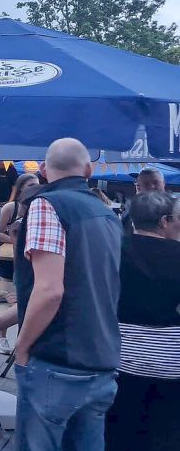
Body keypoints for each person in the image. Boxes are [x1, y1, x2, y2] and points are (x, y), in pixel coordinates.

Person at [13, 138, 120, 451]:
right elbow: (85, 286)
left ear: (44, 170)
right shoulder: (108, 216)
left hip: (57, 361)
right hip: (101, 362)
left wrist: (22, 346)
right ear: (88, 170)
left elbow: (50, 291)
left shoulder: (48, 205)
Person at [105, 191, 180, 451]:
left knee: (119, 434)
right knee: (165, 436)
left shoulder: (114, 251)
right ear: (164, 220)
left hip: (121, 361)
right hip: (172, 364)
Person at [0, 172, 40, 354]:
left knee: (23, 299)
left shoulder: (39, 208)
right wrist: (16, 239)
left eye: (37, 184)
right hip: (9, 258)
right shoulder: (10, 208)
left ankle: (22, 339)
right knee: (8, 297)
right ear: (21, 188)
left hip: (28, 260)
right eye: (31, 185)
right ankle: (2, 337)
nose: (35, 188)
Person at [122, 166, 166, 235]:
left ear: (163, 183)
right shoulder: (131, 210)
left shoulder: (175, 208)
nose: (152, 186)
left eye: (155, 182)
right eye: (146, 184)